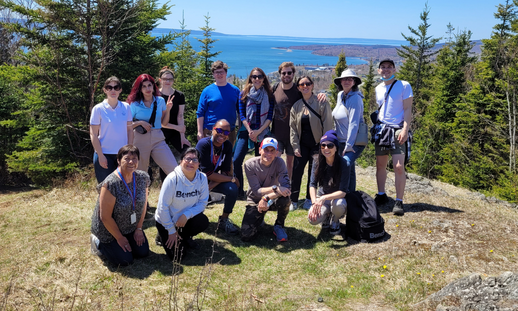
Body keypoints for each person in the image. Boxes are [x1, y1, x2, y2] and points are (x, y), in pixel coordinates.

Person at [90, 145, 150, 266]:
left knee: (142, 252)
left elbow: (143, 205)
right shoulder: (111, 183)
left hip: (130, 227)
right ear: (118, 160)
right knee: (125, 260)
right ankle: (97, 242)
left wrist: (139, 228)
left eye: (134, 158)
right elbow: (105, 217)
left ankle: (127, 239)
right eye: (127, 158)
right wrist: (119, 238)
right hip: (108, 230)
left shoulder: (143, 177)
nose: (131, 162)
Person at [271, 62, 328, 180]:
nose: (286, 75)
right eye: (283, 73)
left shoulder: (298, 91)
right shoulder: (275, 88)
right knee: (274, 161)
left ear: (293, 74)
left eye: (289, 73)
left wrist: (321, 94)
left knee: (290, 164)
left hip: (295, 135)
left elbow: (310, 97)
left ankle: (288, 187)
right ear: (280, 74)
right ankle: (274, 187)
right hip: (277, 134)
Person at [372, 59, 413, 216]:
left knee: (398, 166)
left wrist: (405, 129)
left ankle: (399, 200)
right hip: (382, 129)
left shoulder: (403, 85)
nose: (386, 70)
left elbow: (408, 108)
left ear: (395, 69)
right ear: (379, 71)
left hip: (398, 130)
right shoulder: (378, 88)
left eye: (389, 67)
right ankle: (381, 194)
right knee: (380, 165)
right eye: (383, 67)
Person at [155, 147, 209, 260]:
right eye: (187, 159)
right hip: (167, 221)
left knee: (202, 221)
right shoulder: (172, 179)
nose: (191, 162)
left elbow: (203, 202)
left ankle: (184, 237)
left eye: (195, 160)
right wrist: (170, 230)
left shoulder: (202, 178)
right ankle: (163, 235)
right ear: (181, 161)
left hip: (185, 220)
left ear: (199, 163)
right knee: (178, 257)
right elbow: (162, 208)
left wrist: (186, 215)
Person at [289, 76, 333, 211]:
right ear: (298, 88)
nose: (305, 86)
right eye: (302, 84)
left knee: (313, 173)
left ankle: (309, 199)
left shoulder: (321, 102)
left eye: (307, 83)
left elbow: (328, 124)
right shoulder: (296, 106)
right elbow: (293, 128)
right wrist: (295, 146)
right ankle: (294, 200)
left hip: (317, 144)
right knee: (297, 172)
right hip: (302, 145)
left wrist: (325, 145)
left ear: (312, 85)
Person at [233, 67, 275, 198]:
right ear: (250, 78)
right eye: (254, 76)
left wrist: (258, 132)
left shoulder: (269, 95)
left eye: (260, 76)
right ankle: (239, 191)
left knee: (262, 161)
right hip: (247, 131)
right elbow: (242, 115)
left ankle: (260, 190)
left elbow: (269, 117)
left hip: (262, 132)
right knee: (236, 160)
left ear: (264, 79)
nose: (257, 79)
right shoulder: (244, 94)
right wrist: (251, 131)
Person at [241, 138, 291, 242]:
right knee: (246, 236)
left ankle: (279, 226)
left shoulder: (280, 162)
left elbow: (286, 189)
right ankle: (260, 217)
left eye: (272, 150)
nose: (268, 153)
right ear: (260, 150)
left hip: (272, 199)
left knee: (285, 199)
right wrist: (276, 188)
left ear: (277, 152)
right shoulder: (250, 164)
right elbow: (256, 191)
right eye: (266, 150)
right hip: (254, 200)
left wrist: (266, 197)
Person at [196, 119, 240, 235]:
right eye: (219, 130)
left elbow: (226, 172)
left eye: (226, 132)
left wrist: (210, 186)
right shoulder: (203, 144)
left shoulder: (227, 145)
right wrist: (232, 179)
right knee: (196, 217)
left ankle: (224, 220)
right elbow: (206, 174)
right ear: (213, 129)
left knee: (232, 188)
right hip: (197, 182)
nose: (222, 134)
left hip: (213, 181)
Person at [127, 73, 177, 176]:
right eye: (144, 86)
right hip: (140, 139)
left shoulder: (160, 101)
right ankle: (142, 192)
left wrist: (168, 110)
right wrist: (140, 122)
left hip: (158, 137)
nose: (147, 89)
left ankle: (179, 191)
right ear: (139, 89)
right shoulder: (134, 104)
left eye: (149, 85)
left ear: (154, 86)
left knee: (174, 169)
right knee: (140, 174)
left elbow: (164, 123)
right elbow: (126, 125)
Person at [90, 76, 133, 183]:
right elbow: (93, 134)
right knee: (105, 189)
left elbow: (130, 131)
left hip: (123, 154)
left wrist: (129, 152)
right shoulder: (98, 108)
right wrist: (100, 155)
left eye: (116, 87)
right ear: (105, 90)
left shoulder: (126, 107)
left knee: (123, 187)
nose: (113, 90)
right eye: (109, 87)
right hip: (104, 154)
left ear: (120, 90)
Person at [307, 130, 350, 236]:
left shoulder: (344, 164)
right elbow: (312, 184)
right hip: (322, 198)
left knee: (339, 205)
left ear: (336, 147)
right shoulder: (317, 161)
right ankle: (326, 216)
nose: (326, 148)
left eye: (330, 145)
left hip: (337, 199)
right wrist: (314, 203)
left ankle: (335, 220)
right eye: (323, 145)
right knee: (312, 219)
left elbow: (343, 192)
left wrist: (323, 198)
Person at [332, 69, 365, 192]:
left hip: (354, 142)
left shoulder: (355, 99)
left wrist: (349, 145)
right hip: (341, 140)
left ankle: (343, 194)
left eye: (350, 79)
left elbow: (354, 123)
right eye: (344, 79)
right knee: (350, 169)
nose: (346, 81)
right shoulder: (340, 96)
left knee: (345, 165)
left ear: (354, 82)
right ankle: (350, 196)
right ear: (340, 81)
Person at [196, 60, 240, 146]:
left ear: (226, 73)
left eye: (221, 72)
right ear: (213, 74)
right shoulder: (207, 91)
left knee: (227, 157)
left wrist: (240, 129)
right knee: (208, 157)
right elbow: (200, 113)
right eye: (217, 72)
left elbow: (240, 112)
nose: (219, 74)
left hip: (229, 131)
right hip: (210, 131)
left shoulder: (235, 90)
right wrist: (200, 131)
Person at [158, 66, 190, 181]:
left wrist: (182, 136)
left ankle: (188, 179)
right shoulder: (156, 96)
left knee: (187, 151)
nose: (167, 81)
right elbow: (160, 122)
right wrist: (178, 128)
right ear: (160, 80)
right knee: (164, 159)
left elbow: (180, 116)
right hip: (160, 131)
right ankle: (165, 186)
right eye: (165, 79)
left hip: (175, 131)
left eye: (170, 79)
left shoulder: (179, 95)